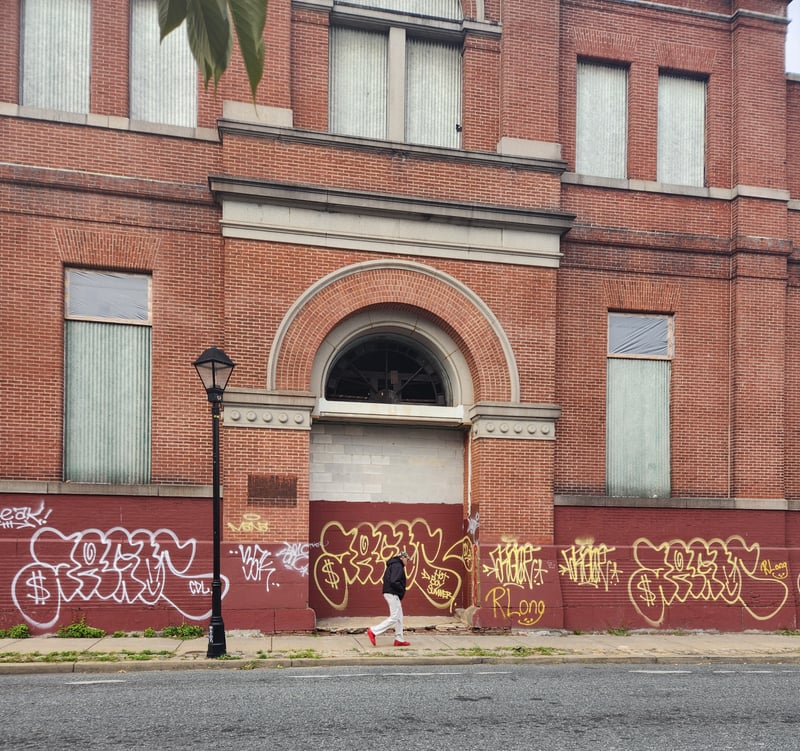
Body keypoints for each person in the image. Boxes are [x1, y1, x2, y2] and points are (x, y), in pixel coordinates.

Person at [366, 550, 411, 647]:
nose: (407, 562)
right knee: (395, 617)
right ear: (402, 558)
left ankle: (399, 639)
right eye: (407, 560)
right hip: (392, 593)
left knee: (399, 616)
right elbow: (394, 581)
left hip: (391, 592)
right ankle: (373, 631)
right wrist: (402, 590)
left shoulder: (394, 565)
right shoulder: (398, 566)